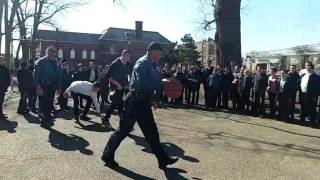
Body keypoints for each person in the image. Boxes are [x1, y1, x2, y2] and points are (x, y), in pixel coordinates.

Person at [101, 42, 178, 170]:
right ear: (151, 52)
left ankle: (163, 160)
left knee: (152, 133)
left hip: (143, 103)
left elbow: (150, 84)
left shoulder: (151, 63)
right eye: (158, 54)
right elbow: (144, 84)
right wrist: (162, 83)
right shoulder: (142, 64)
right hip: (133, 103)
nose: (159, 57)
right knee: (122, 131)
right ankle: (107, 155)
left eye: (160, 55)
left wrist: (152, 99)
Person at [102, 50, 132, 128]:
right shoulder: (115, 64)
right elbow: (108, 76)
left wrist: (129, 84)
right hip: (115, 87)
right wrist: (117, 84)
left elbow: (132, 76)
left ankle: (119, 123)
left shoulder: (129, 64)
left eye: (128, 56)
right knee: (117, 104)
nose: (127, 57)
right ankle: (108, 119)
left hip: (123, 88)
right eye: (125, 55)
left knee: (119, 104)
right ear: (122, 55)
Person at [34, 46, 62, 128]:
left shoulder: (57, 63)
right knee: (43, 104)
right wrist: (38, 87)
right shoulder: (41, 62)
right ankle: (44, 121)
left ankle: (48, 119)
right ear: (47, 52)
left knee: (50, 103)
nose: (52, 53)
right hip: (43, 86)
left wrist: (59, 88)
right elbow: (36, 76)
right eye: (50, 51)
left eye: (54, 51)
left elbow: (60, 76)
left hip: (52, 86)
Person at [299, 61, 320, 127]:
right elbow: (298, 83)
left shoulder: (316, 77)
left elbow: (317, 88)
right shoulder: (303, 75)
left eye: (308, 65)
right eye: (305, 65)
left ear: (311, 66)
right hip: (303, 94)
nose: (306, 67)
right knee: (303, 108)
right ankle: (302, 121)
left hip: (311, 96)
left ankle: (312, 123)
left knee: (312, 109)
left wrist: (314, 96)